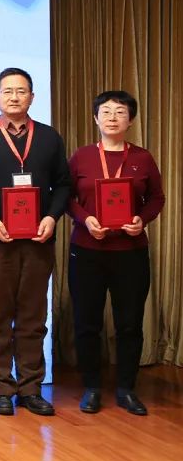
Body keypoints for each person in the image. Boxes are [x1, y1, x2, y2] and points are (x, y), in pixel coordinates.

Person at [0, 67, 70, 416]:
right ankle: (0, 388)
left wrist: (51, 217)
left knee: (33, 315)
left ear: (32, 97)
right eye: (7, 91)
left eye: (21, 91)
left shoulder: (50, 137)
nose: (14, 97)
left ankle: (30, 387)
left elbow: (63, 184)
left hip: (39, 239)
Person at [67, 90, 164, 416]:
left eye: (120, 112)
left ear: (130, 120)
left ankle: (126, 389)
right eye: (106, 111)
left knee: (129, 323)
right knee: (87, 323)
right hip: (87, 250)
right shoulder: (81, 157)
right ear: (95, 118)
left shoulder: (142, 158)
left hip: (130, 252)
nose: (112, 117)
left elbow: (156, 198)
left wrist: (141, 220)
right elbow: (67, 198)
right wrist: (85, 220)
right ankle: (92, 387)